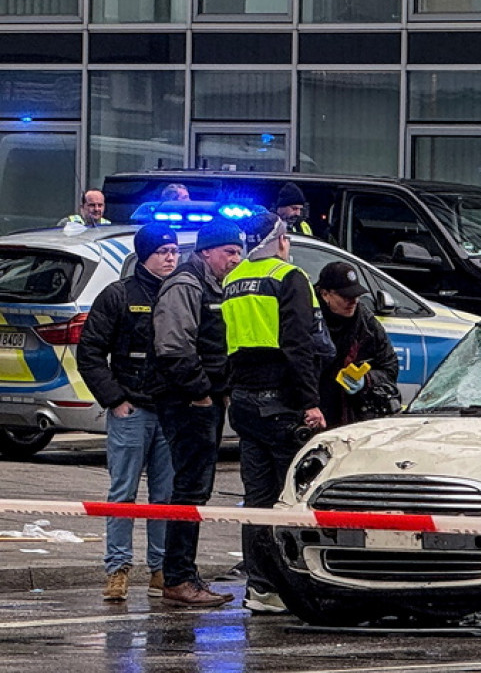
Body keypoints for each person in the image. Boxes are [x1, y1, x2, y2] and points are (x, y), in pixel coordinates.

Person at [222, 213, 325, 614]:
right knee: (290, 499)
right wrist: (310, 402)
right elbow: (299, 344)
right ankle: (291, 584)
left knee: (257, 499)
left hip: (244, 401)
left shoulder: (233, 279)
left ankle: (260, 586)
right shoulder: (289, 277)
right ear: (280, 239)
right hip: (281, 401)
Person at [77, 223, 177, 602]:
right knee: (123, 494)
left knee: (166, 497)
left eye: (173, 251)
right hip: (131, 411)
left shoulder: (181, 292)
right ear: (145, 255)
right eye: (162, 252)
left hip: (169, 410)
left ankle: (161, 570)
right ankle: (117, 570)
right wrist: (114, 399)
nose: (170, 258)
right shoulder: (118, 295)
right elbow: (90, 353)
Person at [151, 220, 245, 607]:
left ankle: (183, 574)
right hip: (186, 401)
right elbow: (173, 347)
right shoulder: (187, 285)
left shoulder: (212, 286)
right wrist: (202, 393)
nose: (235, 259)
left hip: (201, 399)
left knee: (195, 488)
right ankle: (178, 577)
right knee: (189, 489)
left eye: (239, 252)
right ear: (207, 252)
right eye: (229, 252)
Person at [315, 261, 401, 428]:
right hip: (315, 409)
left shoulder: (365, 321)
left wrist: (367, 380)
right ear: (325, 294)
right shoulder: (308, 317)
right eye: (346, 297)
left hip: (352, 413)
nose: (353, 301)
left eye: (356, 295)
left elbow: (390, 367)